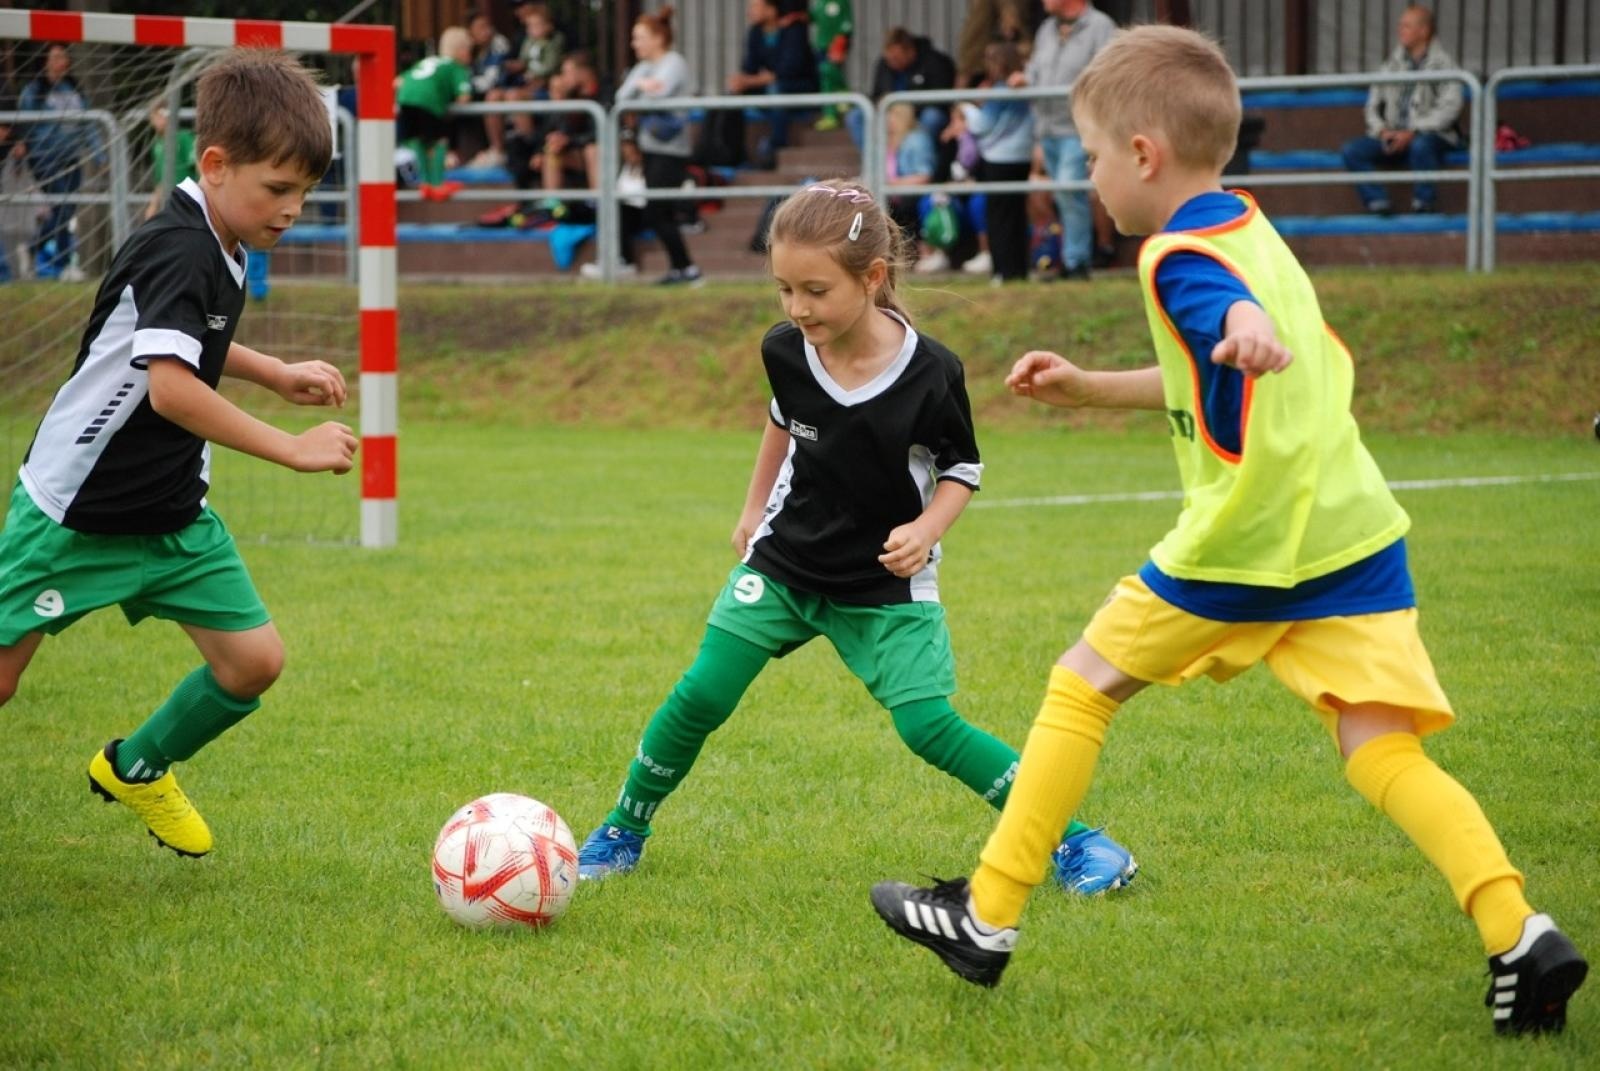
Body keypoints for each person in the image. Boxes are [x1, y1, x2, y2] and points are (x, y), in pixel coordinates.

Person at [869, 27, 1589, 1038]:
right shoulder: (1248, 224)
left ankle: (984, 919)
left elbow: (1227, 319)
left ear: (1143, 155)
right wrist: (1088, 387)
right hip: (1350, 537)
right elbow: (1209, 365)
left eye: (1089, 157)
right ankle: (1519, 933)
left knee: (1081, 685)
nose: (1087, 182)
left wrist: (1242, 328)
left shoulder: (1181, 257)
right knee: (1380, 750)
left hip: (1250, 544)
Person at [575, 178, 1137, 896]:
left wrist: (926, 527)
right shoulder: (784, 348)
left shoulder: (931, 372)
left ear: (872, 279)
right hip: (786, 562)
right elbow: (781, 422)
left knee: (928, 725)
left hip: (882, 579)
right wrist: (752, 509)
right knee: (700, 695)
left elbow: (962, 466)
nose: (796, 308)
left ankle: (1078, 842)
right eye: (783, 289)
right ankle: (624, 827)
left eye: (814, 290)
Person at [0, 49, 358, 858]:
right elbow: (171, 388)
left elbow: (195, 342)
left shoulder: (222, 242)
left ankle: (135, 766)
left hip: (169, 514)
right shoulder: (181, 246)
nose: (293, 209)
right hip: (77, 512)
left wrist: (274, 373)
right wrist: (288, 448)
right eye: (278, 189)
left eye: (305, 192)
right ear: (216, 164)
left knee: (253, 662)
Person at [1014, 0, 1115, 280]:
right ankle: (1070, 257)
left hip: (1078, 129)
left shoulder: (1100, 27)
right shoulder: (1046, 29)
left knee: (1071, 193)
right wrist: (1024, 79)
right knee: (1061, 194)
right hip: (1047, 128)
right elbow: (1036, 70)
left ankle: (1076, 262)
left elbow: (1106, 76)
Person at [1340, 5, 1465, 216]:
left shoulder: (1445, 64)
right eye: (1400, 26)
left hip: (1430, 136)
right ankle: (1377, 202)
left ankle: (1423, 203)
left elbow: (1450, 107)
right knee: (1352, 150)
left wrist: (1414, 130)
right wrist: (1382, 131)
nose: (1400, 30)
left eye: (1406, 26)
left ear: (1424, 31)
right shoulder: (1391, 65)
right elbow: (1372, 105)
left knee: (1421, 145)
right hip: (1392, 135)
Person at [610, 5, 701, 286]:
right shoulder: (645, 67)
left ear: (657, 38)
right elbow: (622, 96)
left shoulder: (674, 61)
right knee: (657, 211)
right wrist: (642, 83)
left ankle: (686, 269)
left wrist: (644, 91)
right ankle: (683, 269)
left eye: (639, 37)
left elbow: (658, 95)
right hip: (650, 146)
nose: (633, 43)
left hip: (671, 149)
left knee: (657, 210)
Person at [480, 51, 607, 230]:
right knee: (550, 151)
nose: (564, 78)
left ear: (583, 73)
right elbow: (555, 128)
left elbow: (601, 131)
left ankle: (598, 205)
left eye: (567, 72)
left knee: (592, 149)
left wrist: (569, 140)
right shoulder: (570, 94)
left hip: (603, 153)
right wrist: (543, 149)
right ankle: (552, 207)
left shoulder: (604, 92)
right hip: (576, 151)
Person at [16, 44, 99, 281]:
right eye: (55, 57)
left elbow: (89, 124)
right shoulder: (34, 91)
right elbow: (24, 123)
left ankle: (32, 248)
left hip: (71, 159)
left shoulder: (73, 89)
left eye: (64, 56)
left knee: (67, 208)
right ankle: (63, 264)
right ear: (45, 62)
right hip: (44, 159)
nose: (61, 60)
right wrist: (21, 143)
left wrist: (98, 154)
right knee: (61, 206)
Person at [957, 43, 1034, 283]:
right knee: (1017, 214)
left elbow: (983, 125)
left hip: (1000, 158)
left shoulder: (1001, 90)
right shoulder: (1024, 87)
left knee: (999, 218)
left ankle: (1003, 270)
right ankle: (1020, 269)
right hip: (1022, 156)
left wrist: (966, 109)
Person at [727, 0, 818, 170]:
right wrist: (741, 81)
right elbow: (749, 67)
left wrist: (757, 79)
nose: (750, 12)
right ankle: (734, 152)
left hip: (799, 87)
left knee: (775, 89)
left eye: (755, 7)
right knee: (734, 92)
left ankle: (776, 147)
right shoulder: (755, 32)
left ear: (771, 10)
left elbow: (789, 70)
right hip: (771, 85)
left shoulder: (793, 30)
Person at [481, 3, 566, 168]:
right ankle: (498, 150)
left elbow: (550, 67)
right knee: (493, 96)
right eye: (529, 26)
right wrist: (513, 66)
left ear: (548, 26)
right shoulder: (526, 40)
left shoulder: (556, 41)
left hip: (544, 88)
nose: (531, 29)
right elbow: (521, 62)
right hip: (524, 84)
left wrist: (530, 72)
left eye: (536, 25)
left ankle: (529, 146)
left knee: (514, 96)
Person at [847, 27, 956, 156]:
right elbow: (877, 94)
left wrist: (907, 113)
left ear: (910, 51)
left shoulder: (935, 62)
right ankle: (876, 162)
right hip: (890, 114)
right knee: (855, 116)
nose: (892, 63)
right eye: (889, 58)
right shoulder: (883, 64)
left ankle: (919, 162)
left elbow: (940, 100)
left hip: (919, 115)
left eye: (896, 58)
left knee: (932, 117)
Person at [395, 26, 472, 200]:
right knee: (439, 140)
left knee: (416, 139)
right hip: (428, 101)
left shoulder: (427, 61)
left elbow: (399, 81)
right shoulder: (457, 68)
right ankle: (437, 184)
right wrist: (454, 105)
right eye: (469, 51)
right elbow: (464, 96)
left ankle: (425, 183)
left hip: (405, 97)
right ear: (461, 51)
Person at [144, 97, 198, 220]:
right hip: (170, 205)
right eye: (152, 117)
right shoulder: (157, 144)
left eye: (157, 116)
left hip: (189, 203)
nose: (153, 121)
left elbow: (198, 168)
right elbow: (160, 180)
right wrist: (153, 205)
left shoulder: (183, 138)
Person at [810, 0, 853, 131]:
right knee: (825, 80)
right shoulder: (820, 3)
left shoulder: (841, 2)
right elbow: (813, 17)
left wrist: (840, 44)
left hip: (835, 46)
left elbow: (847, 25)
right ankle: (830, 113)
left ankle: (844, 95)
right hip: (822, 46)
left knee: (828, 71)